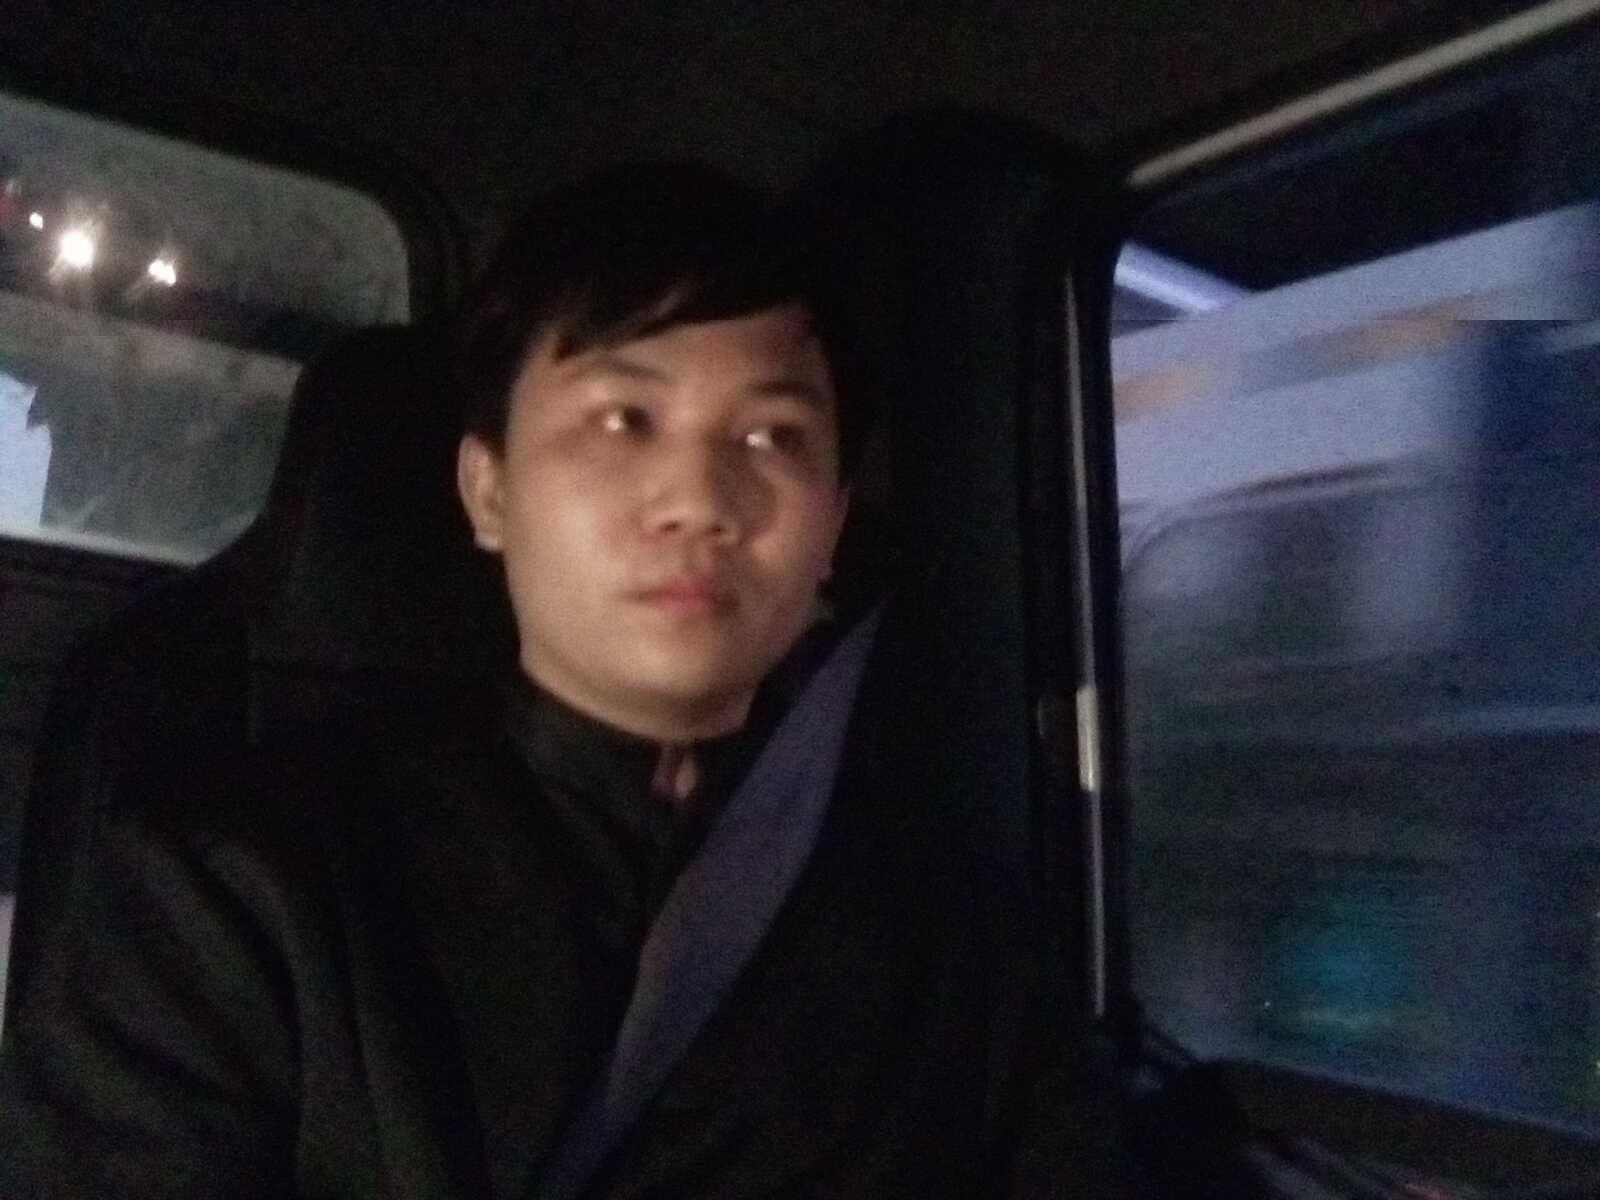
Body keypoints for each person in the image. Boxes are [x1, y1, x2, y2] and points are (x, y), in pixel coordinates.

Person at [0, 164, 1145, 1197]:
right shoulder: (232, 887)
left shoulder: (952, 941)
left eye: (771, 437)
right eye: (622, 419)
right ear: (488, 489)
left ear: (834, 524)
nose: (698, 499)